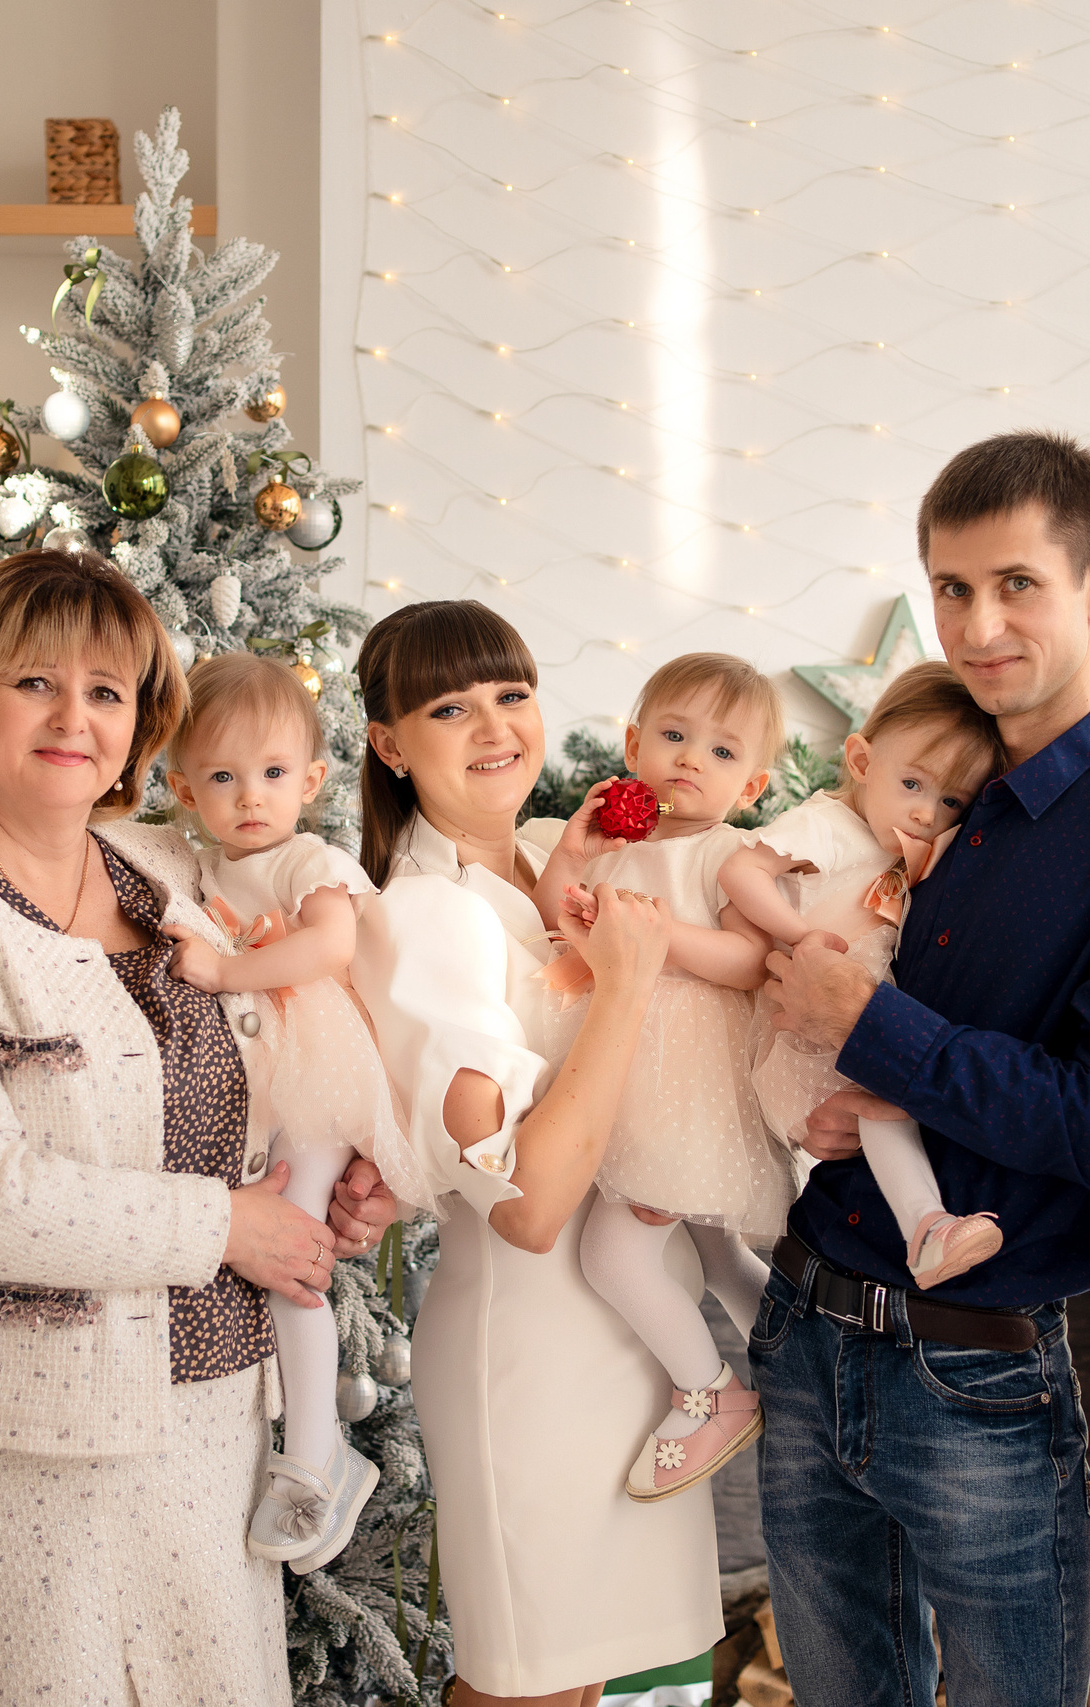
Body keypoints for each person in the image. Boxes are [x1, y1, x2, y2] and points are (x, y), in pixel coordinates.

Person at [0, 551, 398, 1705]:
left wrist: (333, 1183)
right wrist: (227, 1227)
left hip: (219, 1412)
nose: (73, 718)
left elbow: (281, 1046)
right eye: (34, 683)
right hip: (25, 1433)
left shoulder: (169, 870)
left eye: (105, 692)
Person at [758, 431, 1090, 1707]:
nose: (977, 627)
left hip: (971, 1371)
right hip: (802, 1330)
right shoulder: (918, 787)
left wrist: (869, 1025)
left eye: (1016, 584)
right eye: (950, 588)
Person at [345, 600, 721, 1707]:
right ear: (388, 744)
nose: (494, 726)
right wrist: (628, 986)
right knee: (533, 1687)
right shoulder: (428, 916)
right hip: (534, 1357)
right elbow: (529, 1204)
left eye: (511, 694)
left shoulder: (557, 861)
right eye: (448, 708)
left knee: (599, 1682)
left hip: (634, 1342)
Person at [159, 649, 412, 1567]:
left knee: (292, 1251)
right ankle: (298, 1439)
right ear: (185, 790)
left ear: (310, 780)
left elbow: (331, 945)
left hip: (313, 1077)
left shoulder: (306, 859)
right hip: (251, 1083)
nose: (249, 798)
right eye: (223, 777)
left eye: (272, 773)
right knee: (255, 1249)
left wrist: (229, 969)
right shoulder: (199, 865)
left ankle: (315, 1450)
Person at [528, 652, 793, 1503]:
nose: (690, 759)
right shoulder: (617, 848)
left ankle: (709, 1391)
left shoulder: (727, 853)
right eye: (674, 735)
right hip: (619, 1065)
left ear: (751, 786)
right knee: (716, 1250)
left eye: (721, 751)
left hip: (685, 1085)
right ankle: (807, 1361)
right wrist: (573, 852)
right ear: (634, 744)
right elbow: (554, 917)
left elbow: (750, 960)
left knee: (614, 1252)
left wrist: (658, 935)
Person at [722, 659, 1010, 1289]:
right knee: (889, 1102)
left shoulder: (905, 849)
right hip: (804, 1035)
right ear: (859, 761)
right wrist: (800, 934)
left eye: (952, 801)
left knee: (898, 1099)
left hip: (852, 1029)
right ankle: (926, 1226)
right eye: (912, 783)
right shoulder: (827, 825)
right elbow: (740, 871)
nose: (927, 813)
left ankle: (927, 1227)